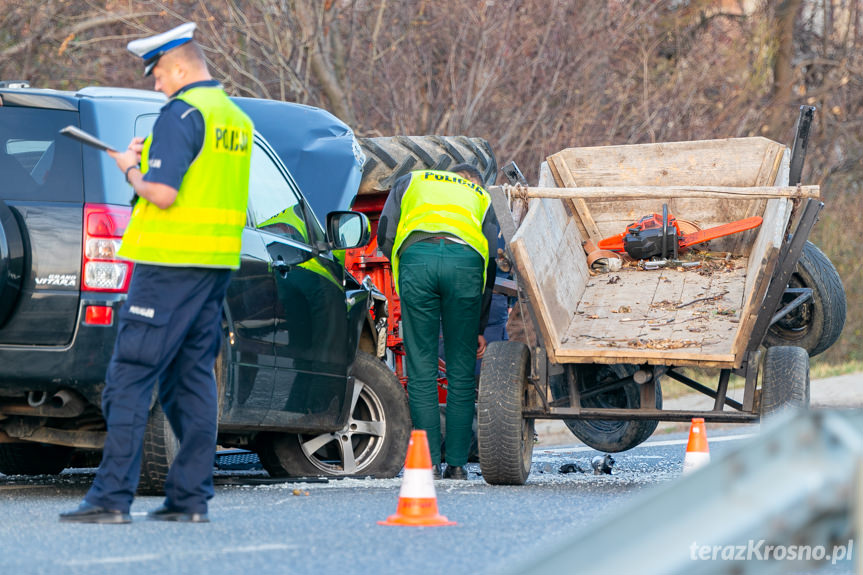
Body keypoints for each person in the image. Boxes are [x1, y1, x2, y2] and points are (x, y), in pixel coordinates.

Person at [60, 22, 253, 524]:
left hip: (168, 265)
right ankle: (190, 500)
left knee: (128, 377)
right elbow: (200, 184)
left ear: (182, 67)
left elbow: (163, 194)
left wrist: (130, 168)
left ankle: (109, 499)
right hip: (214, 267)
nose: (156, 84)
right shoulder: (233, 118)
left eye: (159, 73)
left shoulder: (181, 112)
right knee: (190, 381)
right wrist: (153, 164)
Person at [378, 164, 497, 480]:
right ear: (467, 179)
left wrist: (406, 262)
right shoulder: (480, 196)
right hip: (467, 264)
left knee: (421, 368)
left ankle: (427, 461)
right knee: (460, 370)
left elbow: (386, 233)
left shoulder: (412, 181)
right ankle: (457, 465)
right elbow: (493, 258)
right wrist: (480, 329)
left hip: (418, 259)